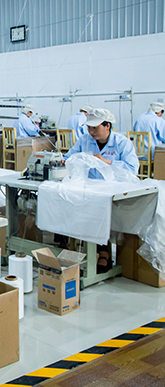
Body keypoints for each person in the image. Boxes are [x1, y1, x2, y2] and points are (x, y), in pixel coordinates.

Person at [64, 108, 139, 274]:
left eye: (95, 128)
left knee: (100, 212)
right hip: (91, 188)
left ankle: (103, 252)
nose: (91, 132)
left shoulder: (122, 143)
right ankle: (77, 247)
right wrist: (63, 161)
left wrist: (107, 161)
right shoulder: (85, 140)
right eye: (89, 128)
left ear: (107, 126)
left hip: (113, 189)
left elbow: (132, 169)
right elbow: (70, 156)